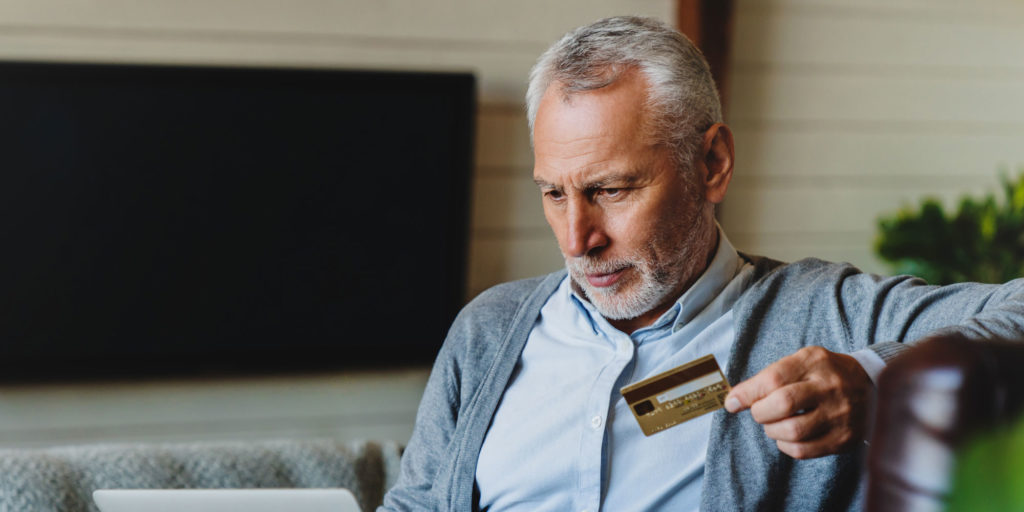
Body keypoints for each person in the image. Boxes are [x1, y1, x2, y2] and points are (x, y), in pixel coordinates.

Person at [378, 16, 1024, 512]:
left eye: (611, 190)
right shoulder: (490, 328)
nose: (577, 239)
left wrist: (879, 380)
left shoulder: (828, 314)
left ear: (711, 164)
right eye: (554, 193)